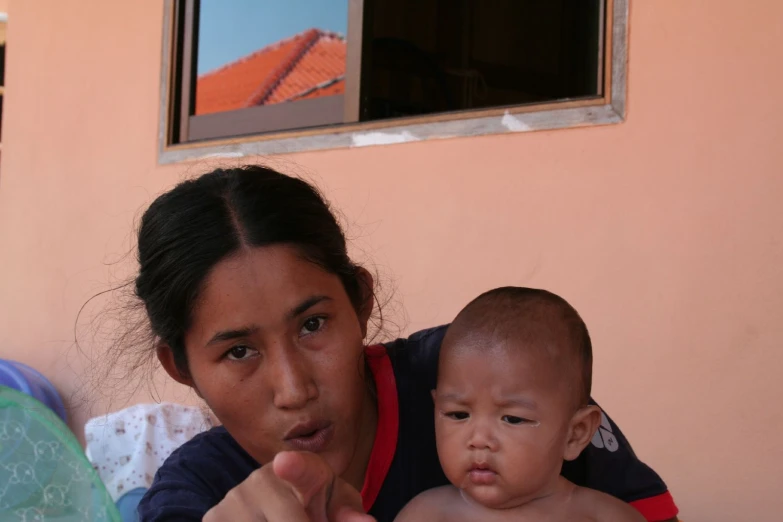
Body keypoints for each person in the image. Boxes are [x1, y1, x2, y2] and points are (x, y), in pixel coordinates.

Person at [128, 165, 678, 522]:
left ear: (360, 302)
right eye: (239, 352)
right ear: (181, 367)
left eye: (313, 325)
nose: (294, 390)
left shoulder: (481, 376)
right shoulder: (196, 494)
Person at [394, 287, 645, 522]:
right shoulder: (427, 515)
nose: (479, 439)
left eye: (512, 418)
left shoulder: (602, 516)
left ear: (575, 434)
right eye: (458, 414)